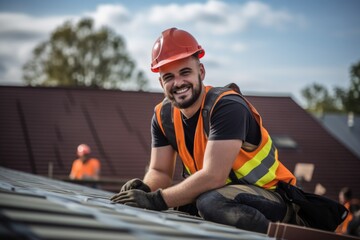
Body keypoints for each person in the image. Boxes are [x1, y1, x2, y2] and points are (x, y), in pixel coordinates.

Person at [110, 27, 296, 233]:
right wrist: (145, 189)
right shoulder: (163, 117)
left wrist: (155, 200)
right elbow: (160, 171)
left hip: (271, 198)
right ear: (161, 82)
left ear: (201, 72)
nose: (178, 82)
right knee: (187, 201)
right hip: (221, 195)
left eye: (185, 72)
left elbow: (214, 176)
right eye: (169, 77)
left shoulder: (227, 106)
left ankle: (276, 235)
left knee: (208, 202)